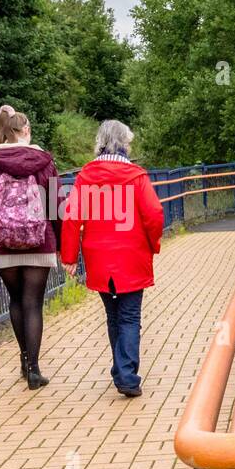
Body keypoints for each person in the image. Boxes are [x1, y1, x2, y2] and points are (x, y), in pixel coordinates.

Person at [61, 120, 164, 398]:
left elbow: (71, 217)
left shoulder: (86, 176)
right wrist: (152, 244)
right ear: (123, 144)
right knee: (130, 316)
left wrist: (69, 256)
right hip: (132, 255)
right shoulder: (136, 176)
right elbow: (154, 214)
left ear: (101, 143)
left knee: (113, 316)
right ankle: (127, 376)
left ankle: (121, 371)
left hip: (99, 256)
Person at [0, 105, 60, 389]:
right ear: (27, 130)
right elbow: (54, 206)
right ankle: (34, 369)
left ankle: (23, 359)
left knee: (16, 300)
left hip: (3, 243)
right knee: (33, 302)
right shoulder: (43, 160)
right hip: (38, 240)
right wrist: (60, 243)